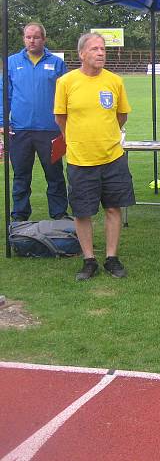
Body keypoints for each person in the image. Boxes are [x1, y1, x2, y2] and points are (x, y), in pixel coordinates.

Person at [54, 33, 135, 281]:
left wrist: (106, 135)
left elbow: (121, 115)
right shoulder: (66, 82)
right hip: (80, 159)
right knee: (82, 212)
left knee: (113, 208)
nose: (101, 53)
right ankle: (89, 260)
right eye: (95, 49)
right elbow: (61, 118)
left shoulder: (114, 81)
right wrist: (78, 139)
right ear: (82, 54)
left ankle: (111, 258)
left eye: (103, 49)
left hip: (112, 157)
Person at [2, 23, 68, 222]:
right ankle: (20, 215)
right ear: (23, 38)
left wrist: (65, 125)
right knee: (21, 176)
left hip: (50, 130)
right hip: (20, 131)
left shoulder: (56, 63)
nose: (32, 40)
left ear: (44, 39)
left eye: (36, 37)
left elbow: (65, 97)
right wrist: (2, 121)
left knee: (55, 176)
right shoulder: (11, 62)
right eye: (28, 37)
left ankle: (59, 214)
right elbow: (4, 94)